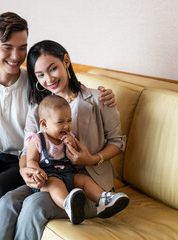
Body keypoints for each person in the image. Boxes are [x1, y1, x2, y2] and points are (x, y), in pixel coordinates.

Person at [0, 12, 115, 239]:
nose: (16, 56)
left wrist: (103, 92)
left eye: (22, 47)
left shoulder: (36, 83)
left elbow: (66, 90)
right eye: (7, 47)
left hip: (22, 159)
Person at [0, 40, 127, 240]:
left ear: (66, 62)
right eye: (40, 75)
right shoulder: (37, 109)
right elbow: (27, 150)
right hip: (49, 179)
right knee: (7, 201)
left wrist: (92, 159)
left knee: (34, 205)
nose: (48, 79)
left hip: (89, 185)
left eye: (53, 69)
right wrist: (25, 170)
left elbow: (117, 143)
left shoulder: (99, 100)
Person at [26, 95, 129, 225]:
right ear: (44, 124)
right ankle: (68, 205)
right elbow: (31, 160)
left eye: (69, 121)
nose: (66, 126)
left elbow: (75, 154)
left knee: (84, 180)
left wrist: (72, 144)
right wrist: (36, 171)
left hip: (69, 173)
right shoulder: (37, 140)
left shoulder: (69, 137)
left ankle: (103, 200)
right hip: (48, 176)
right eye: (60, 122)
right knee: (55, 184)